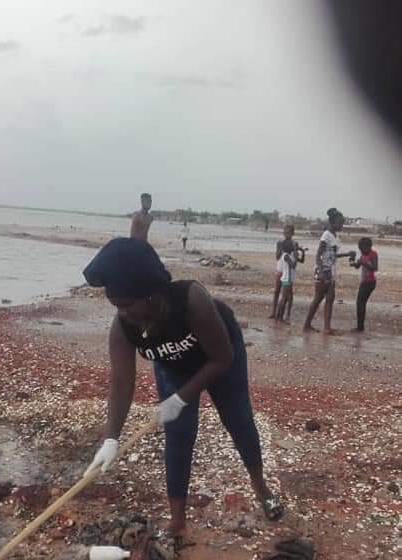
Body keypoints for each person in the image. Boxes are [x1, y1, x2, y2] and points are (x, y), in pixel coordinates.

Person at [83, 237, 283, 535]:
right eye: (115, 306)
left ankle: (262, 489)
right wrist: (111, 438)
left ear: (149, 294)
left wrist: (179, 399)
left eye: (126, 305)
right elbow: (122, 383)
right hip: (175, 366)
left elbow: (221, 358)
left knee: (238, 420)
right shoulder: (124, 326)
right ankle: (177, 521)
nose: (121, 313)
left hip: (220, 354)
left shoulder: (192, 300)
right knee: (178, 434)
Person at [303, 207, 352, 334]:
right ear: (332, 222)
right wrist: (321, 271)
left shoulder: (335, 236)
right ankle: (307, 325)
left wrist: (347, 254)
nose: (342, 225)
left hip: (331, 270)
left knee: (330, 299)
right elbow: (318, 255)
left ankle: (327, 328)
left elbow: (332, 255)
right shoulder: (326, 235)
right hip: (324, 271)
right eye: (340, 223)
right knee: (318, 298)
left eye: (342, 223)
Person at [269, 223, 299, 318]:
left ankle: (287, 314)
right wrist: (281, 249)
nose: (286, 235)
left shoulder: (294, 244)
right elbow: (277, 257)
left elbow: (295, 260)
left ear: (292, 233)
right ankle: (274, 312)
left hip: (288, 270)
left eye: (289, 233)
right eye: (285, 233)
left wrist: (293, 250)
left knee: (288, 293)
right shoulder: (280, 242)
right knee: (277, 291)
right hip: (280, 268)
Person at [350, 237, 378, 332]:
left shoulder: (373, 254)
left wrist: (364, 263)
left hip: (370, 282)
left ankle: (360, 327)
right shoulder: (363, 254)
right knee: (360, 303)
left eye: (362, 248)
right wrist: (353, 263)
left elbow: (375, 267)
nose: (361, 250)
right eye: (360, 249)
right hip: (364, 282)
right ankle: (360, 326)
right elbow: (358, 266)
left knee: (360, 303)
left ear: (369, 246)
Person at [275, 236, 305, 323]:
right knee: (284, 298)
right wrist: (296, 253)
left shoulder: (288, 255)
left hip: (288, 278)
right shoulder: (286, 256)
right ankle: (279, 317)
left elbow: (301, 260)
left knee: (284, 298)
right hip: (286, 278)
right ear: (288, 248)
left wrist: (301, 252)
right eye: (292, 246)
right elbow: (293, 265)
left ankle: (279, 316)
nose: (294, 247)